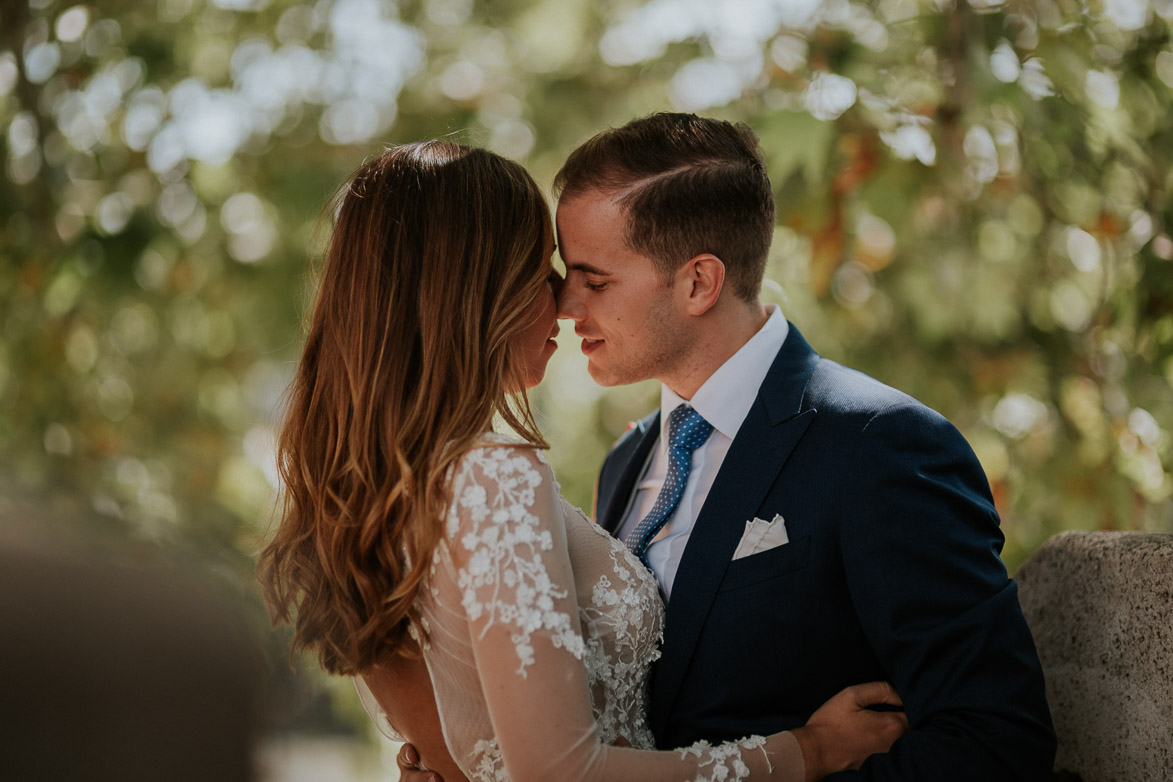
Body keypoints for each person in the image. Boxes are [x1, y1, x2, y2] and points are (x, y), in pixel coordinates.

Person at [399, 114, 1058, 781]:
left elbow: (995, 739)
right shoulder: (625, 464)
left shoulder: (879, 446)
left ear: (698, 283)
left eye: (594, 280)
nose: (564, 304)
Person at [257, 141, 907, 782]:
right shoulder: (493, 477)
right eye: (541, 267)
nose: (566, 301)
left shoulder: (367, 493)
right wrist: (806, 751)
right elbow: (561, 772)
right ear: (471, 289)